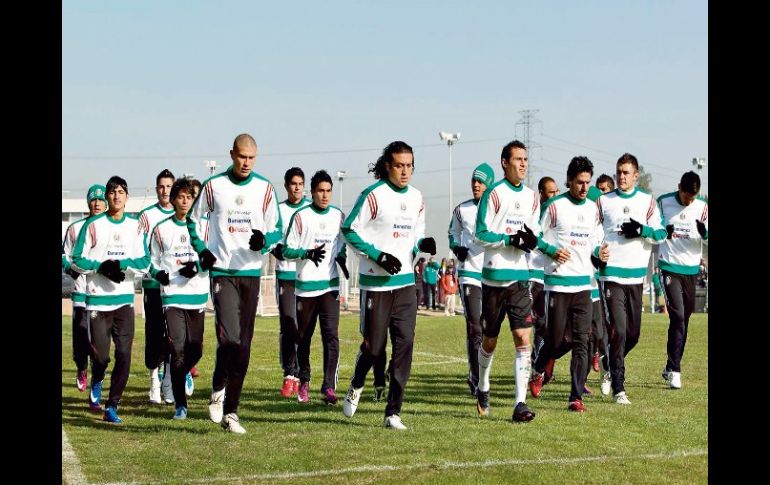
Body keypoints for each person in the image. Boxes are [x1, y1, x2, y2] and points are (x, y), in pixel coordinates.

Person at [186, 133, 282, 434]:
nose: (246, 162)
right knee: (229, 338)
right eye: (242, 156)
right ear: (231, 154)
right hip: (223, 273)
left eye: (252, 157)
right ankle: (218, 387)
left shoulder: (265, 188)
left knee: (242, 346)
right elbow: (193, 219)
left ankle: (231, 412)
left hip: (251, 273)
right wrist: (203, 250)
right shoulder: (213, 187)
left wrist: (264, 240)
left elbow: (278, 228)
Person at [340, 140, 436, 430]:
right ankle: (357, 383)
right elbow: (348, 229)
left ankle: (393, 411)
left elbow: (416, 235)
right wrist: (377, 255)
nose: (405, 171)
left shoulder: (418, 197)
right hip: (376, 285)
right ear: (387, 166)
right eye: (399, 165)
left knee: (404, 346)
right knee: (374, 348)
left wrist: (424, 243)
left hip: (406, 284)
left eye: (409, 166)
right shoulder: (373, 195)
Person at [528, 156, 608, 412]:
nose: (584, 188)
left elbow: (596, 240)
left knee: (582, 342)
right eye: (579, 182)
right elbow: (535, 235)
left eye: (587, 182)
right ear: (569, 181)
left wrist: (600, 253)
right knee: (554, 339)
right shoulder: (554, 207)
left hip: (584, 285)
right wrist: (551, 250)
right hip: (558, 285)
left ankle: (575, 397)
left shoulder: (593, 209)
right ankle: (539, 368)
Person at [72, 176, 151, 423]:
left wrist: (122, 264)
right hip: (97, 301)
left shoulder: (136, 226)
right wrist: (101, 267)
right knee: (101, 357)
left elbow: (145, 261)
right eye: (112, 192)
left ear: (127, 197)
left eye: (121, 192)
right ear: (107, 197)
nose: (116, 196)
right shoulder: (93, 225)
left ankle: (112, 406)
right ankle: (97, 377)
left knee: (125, 355)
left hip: (124, 302)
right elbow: (77, 259)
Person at [473, 140, 541, 423]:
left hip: (520, 280)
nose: (523, 164)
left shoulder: (532, 197)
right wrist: (507, 239)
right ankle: (483, 384)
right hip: (492, 280)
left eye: (526, 159)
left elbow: (535, 231)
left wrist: (530, 240)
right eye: (517, 159)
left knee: (522, 338)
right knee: (489, 341)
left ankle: (519, 404)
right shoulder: (493, 194)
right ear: (504, 162)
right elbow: (480, 234)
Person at [596, 153, 666, 405]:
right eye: (619, 172)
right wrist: (597, 251)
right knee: (619, 332)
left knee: (634, 335)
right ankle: (619, 388)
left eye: (626, 173)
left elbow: (660, 233)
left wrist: (641, 230)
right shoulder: (603, 201)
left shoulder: (647, 202)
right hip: (611, 275)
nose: (621, 176)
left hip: (636, 278)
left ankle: (607, 362)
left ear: (636, 175)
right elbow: (593, 232)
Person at [282, 170, 348, 404]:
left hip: (330, 288)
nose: (325, 195)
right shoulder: (301, 217)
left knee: (331, 337)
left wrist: (341, 257)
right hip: (306, 289)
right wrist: (307, 253)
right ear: (312, 192)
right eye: (320, 190)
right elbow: (286, 250)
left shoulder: (339, 216)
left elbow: (342, 244)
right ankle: (304, 381)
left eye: (328, 190)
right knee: (304, 338)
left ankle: (329, 387)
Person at [148, 179, 210, 420]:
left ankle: (181, 372)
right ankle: (180, 406)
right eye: (181, 196)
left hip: (196, 295)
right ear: (173, 199)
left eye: (189, 197)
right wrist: (158, 274)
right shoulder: (161, 229)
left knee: (195, 350)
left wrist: (196, 268)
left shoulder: (203, 227)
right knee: (177, 347)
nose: (185, 201)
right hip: (172, 296)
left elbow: (212, 258)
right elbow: (150, 260)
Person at [137, 169, 186, 405]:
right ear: (156, 189)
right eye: (161, 187)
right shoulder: (146, 217)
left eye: (169, 186)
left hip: (176, 287)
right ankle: (154, 379)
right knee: (154, 332)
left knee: (173, 335)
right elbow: (141, 250)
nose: (165, 191)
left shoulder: (183, 216)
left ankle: (169, 381)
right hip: (154, 285)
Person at [657, 171, 708, 389]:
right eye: (687, 197)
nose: (690, 202)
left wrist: (704, 233)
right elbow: (654, 229)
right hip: (669, 266)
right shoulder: (663, 202)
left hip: (691, 269)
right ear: (679, 188)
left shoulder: (702, 206)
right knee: (676, 315)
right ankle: (676, 371)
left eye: (693, 198)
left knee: (683, 320)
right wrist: (662, 232)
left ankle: (670, 365)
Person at [447, 163, 494, 395]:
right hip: (469, 275)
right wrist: (457, 248)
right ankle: (476, 380)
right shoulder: (461, 210)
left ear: (490, 184)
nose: (476, 185)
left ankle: (480, 374)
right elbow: (452, 232)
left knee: (487, 330)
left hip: (492, 276)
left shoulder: (498, 209)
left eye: (481, 181)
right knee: (474, 327)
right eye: (474, 180)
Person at [62, 184, 107, 392]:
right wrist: (71, 269)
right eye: (93, 199)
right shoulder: (74, 228)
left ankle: (98, 374)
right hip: (81, 292)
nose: (97, 203)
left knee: (100, 341)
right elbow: (65, 256)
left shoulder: (109, 227)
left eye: (100, 199)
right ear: (88, 202)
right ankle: (82, 368)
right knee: (81, 336)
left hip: (104, 293)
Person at [272, 167, 311, 398]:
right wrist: (274, 249)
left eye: (300, 183)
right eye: (293, 184)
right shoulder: (278, 210)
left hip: (306, 277)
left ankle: (303, 377)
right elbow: (269, 236)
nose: (297, 187)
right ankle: (290, 374)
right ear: (286, 186)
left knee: (304, 329)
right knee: (288, 325)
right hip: (285, 275)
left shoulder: (309, 209)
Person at [529, 176, 561, 382]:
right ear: (542, 194)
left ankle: (543, 366)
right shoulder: (535, 214)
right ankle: (537, 366)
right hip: (534, 275)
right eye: (551, 192)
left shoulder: (557, 214)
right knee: (541, 324)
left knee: (553, 325)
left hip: (550, 277)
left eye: (557, 192)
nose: (555, 196)